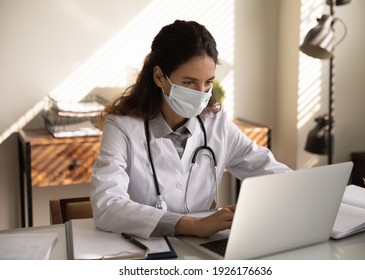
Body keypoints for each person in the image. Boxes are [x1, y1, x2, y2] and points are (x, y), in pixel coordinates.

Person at [90, 20, 291, 239]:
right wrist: (190, 225)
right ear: (159, 77)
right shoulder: (122, 126)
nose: (201, 92)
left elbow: (270, 172)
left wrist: (310, 194)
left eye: (208, 82)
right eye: (189, 82)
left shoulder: (217, 124)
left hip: (201, 247)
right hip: (145, 248)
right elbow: (107, 206)